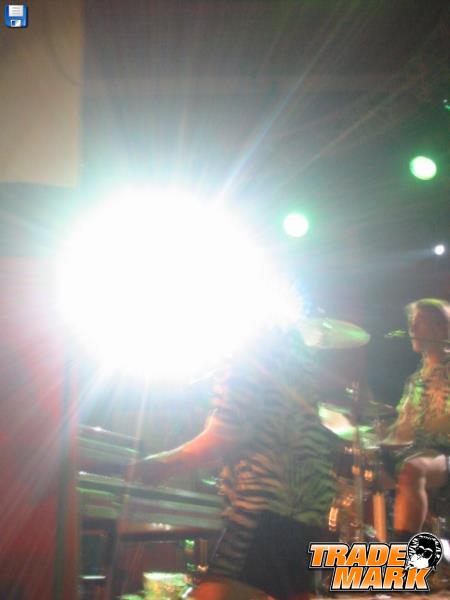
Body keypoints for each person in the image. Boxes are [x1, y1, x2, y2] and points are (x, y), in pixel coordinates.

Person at [128, 325, 336, 600]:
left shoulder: (247, 345)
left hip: (266, 504)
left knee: (214, 594)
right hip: (310, 507)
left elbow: (228, 431)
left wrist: (160, 464)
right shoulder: (289, 343)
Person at [385, 298, 450, 542]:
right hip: (417, 452)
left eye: (420, 322)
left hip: (445, 453)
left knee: (413, 469)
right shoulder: (414, 380)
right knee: (366, 471)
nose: (412, 328)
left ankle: (404, 553)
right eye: (412, 322)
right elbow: (402, 431)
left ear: (442, 329)